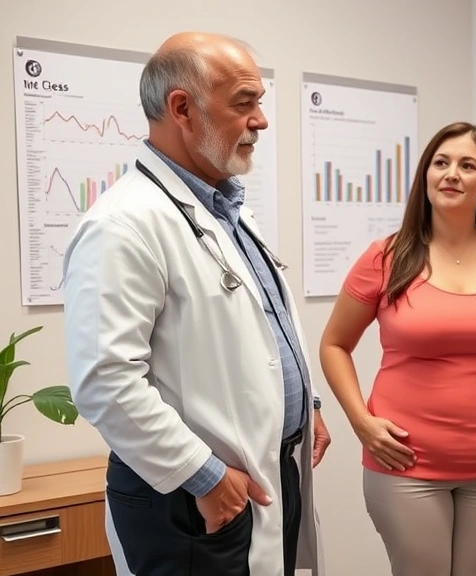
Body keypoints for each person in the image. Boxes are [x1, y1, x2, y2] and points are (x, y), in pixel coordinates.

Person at [62, 32, 328, 576]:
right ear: (182, 108)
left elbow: (253, 335)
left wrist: (307, 406)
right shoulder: (122, 224)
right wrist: (205, 477)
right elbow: (105, 381)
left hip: (261, 474)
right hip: (190, 495)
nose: (261, 120)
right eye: (245, 102)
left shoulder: (224, 211)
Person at [319, 121, 476, 576]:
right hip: (407, 463)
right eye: (441, 163)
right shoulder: (386, 256)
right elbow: (334, 344)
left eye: (468, 165)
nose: (452, 174)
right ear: (426, 175)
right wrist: (361, 422)